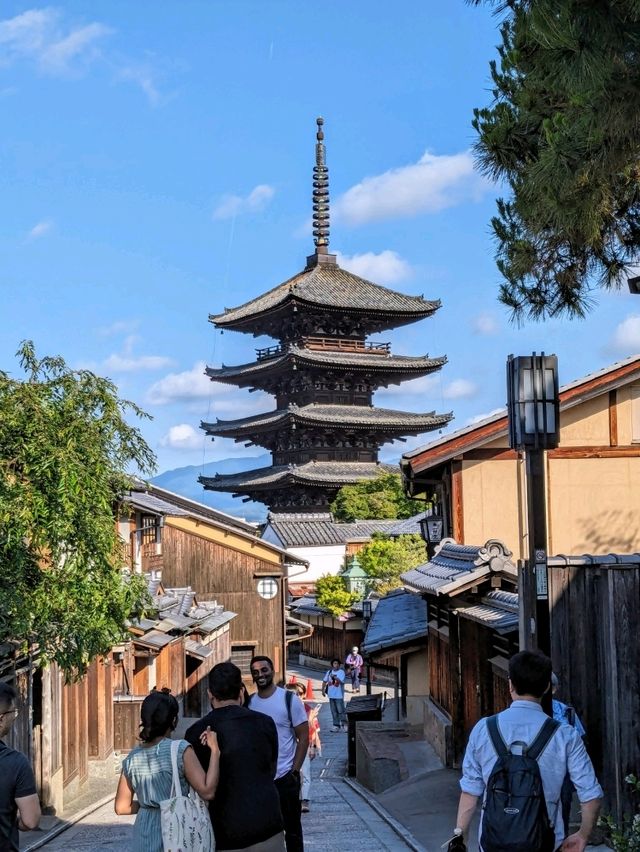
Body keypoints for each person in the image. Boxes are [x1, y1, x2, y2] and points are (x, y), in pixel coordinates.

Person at [454, 650, 603, 852]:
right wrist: (583, 835)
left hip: (492, 842)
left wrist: (460, 836)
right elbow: (591, 795)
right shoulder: (564, 734)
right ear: (547, 687)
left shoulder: (484, 729)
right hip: (546, 842)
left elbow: (470, 790)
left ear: (510, 685)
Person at [185, 662, 285, 851]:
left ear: (210, 695)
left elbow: (200, 786)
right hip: (267, 822)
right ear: (241, 692)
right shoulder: (265, 723)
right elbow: (271, 769)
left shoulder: (196, 733)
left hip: (224, 829)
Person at [115, 690, 220, 852]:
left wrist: (148, 805)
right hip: (175, 832)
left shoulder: (131, 758)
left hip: (143, 837)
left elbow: (121, 807)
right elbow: (207, 791)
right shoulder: (180, 750)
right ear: (174, 720)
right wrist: (215, 751)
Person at [248, 657, 308, 852]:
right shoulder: (249, 704)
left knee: (292, 832)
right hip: (261, 780)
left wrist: (295, 771)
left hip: (285, 777)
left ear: (272, 670)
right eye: (255, 672)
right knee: (262, 832)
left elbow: (303, 737)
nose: (260, 675)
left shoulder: (289, 700)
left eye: (264, 670)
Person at [0, 682, 40, 851]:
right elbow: (30, 820)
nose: (13, 717)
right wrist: (10, 819)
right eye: (13, 713)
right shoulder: (15, 763)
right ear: (1, 718)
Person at [552, 672, 586, 839]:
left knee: (563, 808)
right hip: (536, 768)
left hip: (562, 770)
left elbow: (578, 739)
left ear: (554, 689)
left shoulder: (566, 712)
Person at [286, 683, 321, 815]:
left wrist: (313, 746)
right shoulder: (283, 709)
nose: (296, 697)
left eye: (298, 694)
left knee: (304, 774)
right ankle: (293, 798)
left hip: (303, 746)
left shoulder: (308, 710)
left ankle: (304, 799)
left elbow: (313, 731)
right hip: (288, 747)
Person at [321, 659, 346, 732]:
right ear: (332, 665)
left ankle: (344, 725)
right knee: (334, 711)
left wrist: (335, 678)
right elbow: (324, 681)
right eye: (335, 663)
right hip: (331, 695)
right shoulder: (329, 672)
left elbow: (341, 682)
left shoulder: (341, 672)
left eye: (337, 664)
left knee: (341, 710)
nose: (336, 665)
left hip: (339, 695)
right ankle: (336, 725)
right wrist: (322, 690)